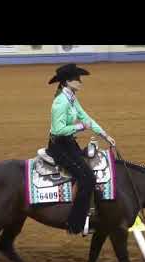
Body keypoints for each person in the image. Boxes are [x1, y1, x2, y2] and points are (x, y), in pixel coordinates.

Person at [46, 63, 116, 235]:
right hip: (59, 147)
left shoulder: (71, 98)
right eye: (76, 79)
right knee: (87, 178)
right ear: (66, 82)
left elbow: (86, 117)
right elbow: (58, 130)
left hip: (68, 144)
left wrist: (104, 135)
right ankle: (75, 224)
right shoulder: (60, 103)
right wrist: (80, 127)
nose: (80, 82)